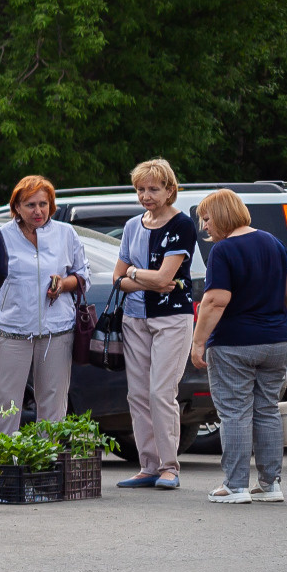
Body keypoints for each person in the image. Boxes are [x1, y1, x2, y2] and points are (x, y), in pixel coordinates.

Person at [189, 190, 287, 505]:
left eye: (207, 219)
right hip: (276, 340)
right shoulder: (275, 244)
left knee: (234, 413)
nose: (205, 227)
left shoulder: (224, 250)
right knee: (266, 411)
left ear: (222, 214)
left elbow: (215, 300)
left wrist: (198, 342)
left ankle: (235, 486)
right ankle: (269, 484)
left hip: (235, 343)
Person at [106, 159, 198, 490]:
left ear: (170, 190)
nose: (146, 195)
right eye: (141, 189)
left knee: (161, 392)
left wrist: (134, 273)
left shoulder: (182, 225)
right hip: (134, 318)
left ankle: (170, 467)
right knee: (138, 394)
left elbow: (165, 280)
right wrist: (138, 277)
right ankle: (148, 466)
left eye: (153, 189)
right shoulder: (133, 226)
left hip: (172, 317)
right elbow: (119, 279)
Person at [0, 175, 85, 432]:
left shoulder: (65, 233)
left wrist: (63, 283)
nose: (38, 211)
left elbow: (83, 276)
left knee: (53, 404)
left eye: (43, 204)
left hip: (56, 331)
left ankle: (47, 463)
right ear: (16, 208)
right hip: (12, 330)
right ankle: (0, 463)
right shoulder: (2, 236)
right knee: (2, 403)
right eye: (30, 205)